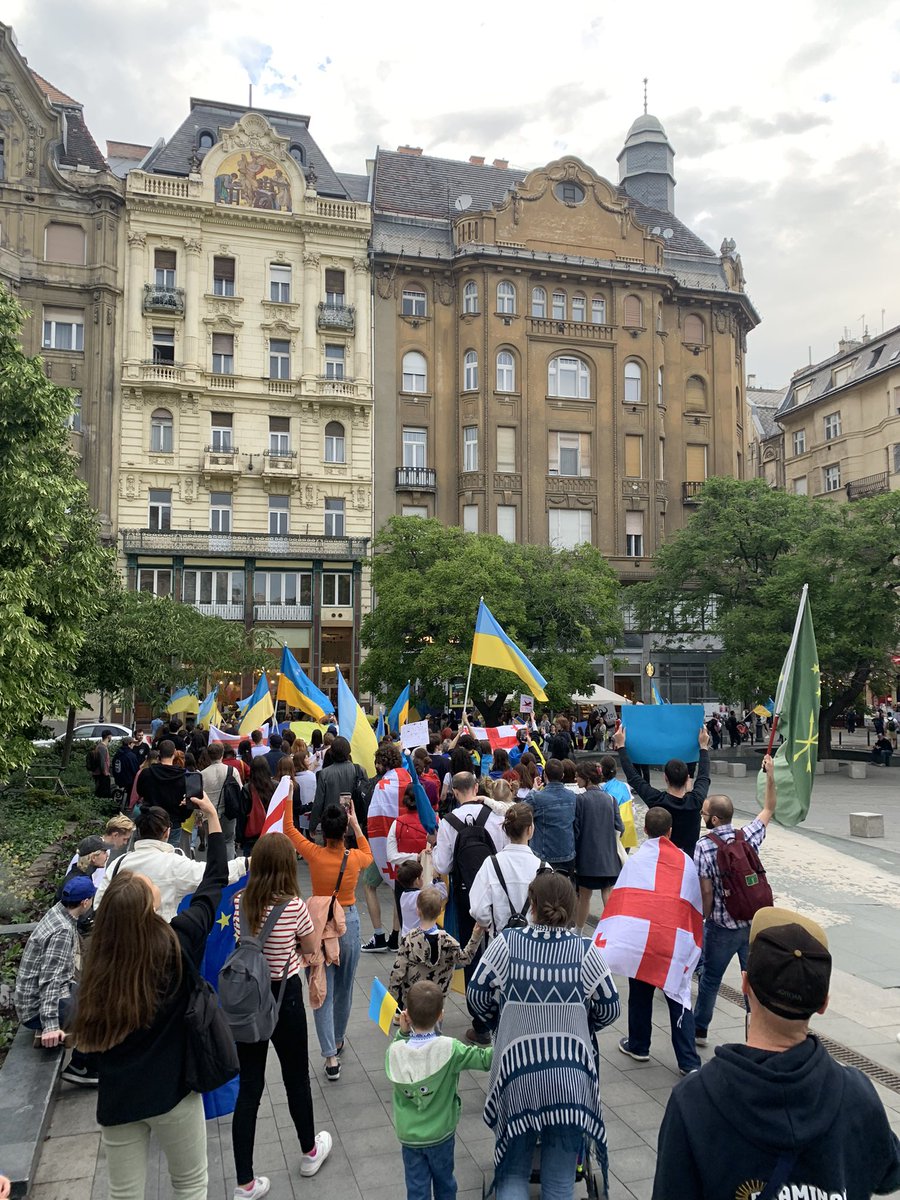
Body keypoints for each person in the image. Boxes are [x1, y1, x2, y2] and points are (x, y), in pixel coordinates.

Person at [652, 907, 900, 1200]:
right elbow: (887, 1175)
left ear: (745, 985)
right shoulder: (857, 1094)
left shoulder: (693, 1100)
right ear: (823, 1004)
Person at [71, 794, 225, 1199]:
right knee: (191, 1185)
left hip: (119, 1098)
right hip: (174, 1091)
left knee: (124, 1193)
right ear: (147, 909)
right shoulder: (175, 945)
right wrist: (211, 818)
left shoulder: (99, 967)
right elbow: (212, 885)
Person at [468, 873, 620, 1199]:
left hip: (517, 1075)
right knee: (561, 1183)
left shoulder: (507, 944)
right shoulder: (585, 951)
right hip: (569, 1078)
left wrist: (501, 1022)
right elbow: (609, 1006)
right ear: (572, 905)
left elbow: (476, 994)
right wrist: (580, 1023)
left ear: (533, 906)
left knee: (511, 1175)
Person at [231, 834, 332, 1198]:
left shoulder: (240, 903)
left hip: (247, 1000)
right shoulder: (294, 907)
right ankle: (309, 1151)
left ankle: (245, 1180)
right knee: (295, 1078)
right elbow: (308, 946)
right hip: (284, 997)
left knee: (250, 1088)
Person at [282, 796, 373, 1081]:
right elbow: (369, 854)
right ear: (344, 830)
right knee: (345, 988)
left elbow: (288, 828)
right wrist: (356, 823)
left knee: (320, 985)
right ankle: (337, 1038)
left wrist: (288, 793)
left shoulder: (314, 854)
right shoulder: (356, 858)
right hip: (348, 921)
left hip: (318, 926)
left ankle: (330, 1057)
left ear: (322, 831)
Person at [693, 753, 777, 1046]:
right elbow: (769, 808)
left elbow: (705, 890)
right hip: (753, 922)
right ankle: (757, 1031)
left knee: (710, 981)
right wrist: (770, 774)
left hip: (721, 926)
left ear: (714, 819)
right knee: (751, 981)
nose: (702, 816)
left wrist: (704, 917)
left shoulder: (704, 847)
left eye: (704, 813)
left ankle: (700, 1030)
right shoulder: (747, 836)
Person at [387, 980, 492, 1200]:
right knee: (445, 1183)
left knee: (416, 1188)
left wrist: (402, 1034)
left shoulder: (395, 1051)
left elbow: (397, 1049)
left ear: (408, 1015)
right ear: (440, 1015)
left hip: (410, 1137)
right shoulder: (450, 1049)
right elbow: (484, 1060)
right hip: (441, 1134)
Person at [617, 808, 702, 1075]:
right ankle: (688, 1061)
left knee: (639, 992)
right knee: (678, 994)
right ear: (670, 832)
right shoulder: (685, 861)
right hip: (673, 937)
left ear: (645, 830)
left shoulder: (635, 861)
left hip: (643, 939)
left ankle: (639, 1045)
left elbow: (624, 899)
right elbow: (693, 900)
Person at [432, 771, 508, 1046]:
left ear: (453, 791)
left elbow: (442, 866)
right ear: (476, 787)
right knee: (499, 948)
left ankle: (480, 1023)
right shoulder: (496, 817)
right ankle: (502, 1011)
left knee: (471, 952)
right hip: (496, 890)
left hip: (466, 895)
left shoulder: (448, 822)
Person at [94, 805, 247, 921]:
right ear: (167, 832)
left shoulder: (118, 864)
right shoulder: (174, 864)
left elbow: (99, 904)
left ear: (138, 832)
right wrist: (246, 863)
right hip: (159, 944)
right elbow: (214, 873)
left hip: (118, 947)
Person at [14, 875, 99, 1085]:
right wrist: (50, 1025)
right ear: (85, 902)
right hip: (36, 1009)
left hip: (36, 998)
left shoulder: (58, 913)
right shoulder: (62, 931)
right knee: (100, 1011)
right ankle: (82, 1065)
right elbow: (50, 981)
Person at [613, 723, 711, 856]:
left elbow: (634, 778)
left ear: (665, 778)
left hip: (662, 859)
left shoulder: (657, 801)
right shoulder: (696, 801)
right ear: (687, 778)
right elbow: (704, 776)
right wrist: (703, 747)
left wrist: (621, 746)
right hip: (688, 860)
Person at [389, 886, 485, 1011]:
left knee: (411, 1029)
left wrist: (392, 1000)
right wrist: (475, 936)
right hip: (438, 1002)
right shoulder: (448, 941)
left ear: (418, 911)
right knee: (434, 1029)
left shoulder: (409, 940)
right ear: (440, 911)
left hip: (412, 1001)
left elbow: (397, 973)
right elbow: (465, 959)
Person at [468, 802, 548, 938]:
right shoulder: (544, 868)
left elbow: (478, 910)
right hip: (534, 945)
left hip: (500, 943)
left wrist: (488, 922)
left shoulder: (491, 864)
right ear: (530, 830)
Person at [361, 743, 404, 953]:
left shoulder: (381, 785)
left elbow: (376, 820)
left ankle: (379, 935)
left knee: (369, 885)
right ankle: (396, 936)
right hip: (405, 846)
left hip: (385, 847)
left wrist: (378, 850)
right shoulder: (408, 779)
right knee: (398, 887)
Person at [573, 761, 623, 927]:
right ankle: (611, 931)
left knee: (584, 896)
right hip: (608, 857)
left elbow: (576, 829)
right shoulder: (611, 798)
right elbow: (619, 827)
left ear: (586, 778)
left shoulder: (580, 800)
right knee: (607, 893)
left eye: (578, 775)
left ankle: (579, 932)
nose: (576, 778)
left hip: (587, 858)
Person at [524, 758, 576, 875]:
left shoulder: (536, 797)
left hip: (544, 855)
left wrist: (533, 790)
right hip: (567, 853)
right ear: (562, 775)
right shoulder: (572, 797)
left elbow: (520, 811)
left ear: (545, 775)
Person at [308, 736, 367, 835]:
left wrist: (312, 826)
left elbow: (318, 802)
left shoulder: (324, 774)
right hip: (354, 823)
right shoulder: (359, 770)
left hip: (331, 825)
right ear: (348, 751)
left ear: (332, 753)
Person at [136, 740, 188, 846]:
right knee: (170, 855)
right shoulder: (183, 776)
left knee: (149, 854)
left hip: (150, 819)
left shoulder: (146, 773)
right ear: (174, 752)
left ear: (159, 752)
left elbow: (140, 792)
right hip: (173, 820)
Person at [200, 741, 240, 859]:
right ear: (222, 754)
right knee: (228, 841)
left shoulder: (202, 774)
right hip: (228, 811)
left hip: (209, 814)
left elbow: (200, 796)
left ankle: (215, 869)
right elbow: (240, 789)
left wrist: (199, 816)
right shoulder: (232, 771)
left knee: (212, 843)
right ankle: (229, 868)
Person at [92, 729, 114, 798]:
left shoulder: (102, 746)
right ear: (108, 736)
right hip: (101, 774)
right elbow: (102, 762)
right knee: (103, 793)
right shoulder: (102, 747)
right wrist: (105, 773)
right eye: (111, 736)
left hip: (101, 773)